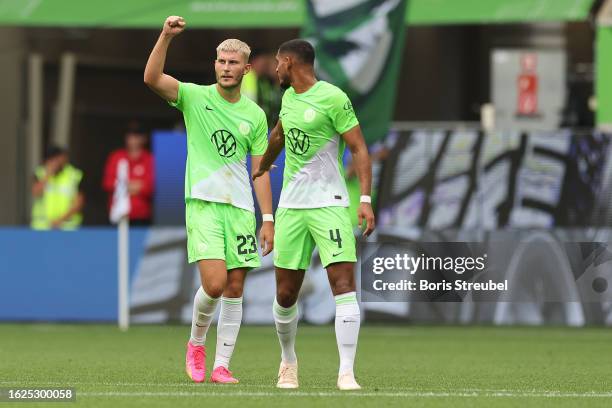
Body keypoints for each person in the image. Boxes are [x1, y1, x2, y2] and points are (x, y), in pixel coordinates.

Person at [144, 16, 274, 384]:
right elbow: (152, 79)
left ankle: (221, 365)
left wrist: (268, 218)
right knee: (215, 284)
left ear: (246, 69)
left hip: (240, 209)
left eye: (234, 63)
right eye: (221, 61)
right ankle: (196, 344)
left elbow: (259, 170)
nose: (226, 68)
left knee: (235, 288)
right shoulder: (195, 97)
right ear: (214, 64)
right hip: (203, 203)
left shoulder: (255, 115)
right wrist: (165, 36)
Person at [253, 39, 375, 390]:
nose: (275, 68)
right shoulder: (289, 98)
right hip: (292, 207)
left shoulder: (334, 98)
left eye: (278, 62)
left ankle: (346, 372)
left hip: (330, 204)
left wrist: (364, 199)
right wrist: (262, 166)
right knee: (286, 295)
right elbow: (280, 132)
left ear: (289, 62)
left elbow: (358, 147)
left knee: (343, 285)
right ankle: (288, 361)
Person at [102, 123, 155, 225]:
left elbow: (150, 186)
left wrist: (123, 185)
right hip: (117, 215)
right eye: (129, 135)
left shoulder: (149, 159)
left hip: (141, 216)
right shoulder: (116, 157)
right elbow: (108, 183)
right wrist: (133, 185)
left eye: (136, 135)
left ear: (144, 138)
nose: (132, 139)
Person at [31, 145, 85, 230]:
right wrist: (47, 175)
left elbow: (79, 203)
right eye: (53, 160)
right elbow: (36, 193)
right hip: (42, 227)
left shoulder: (74, 175)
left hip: (67, 228)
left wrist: (60, 220)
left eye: (58, 159)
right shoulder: (40, 173)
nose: (56, 163)